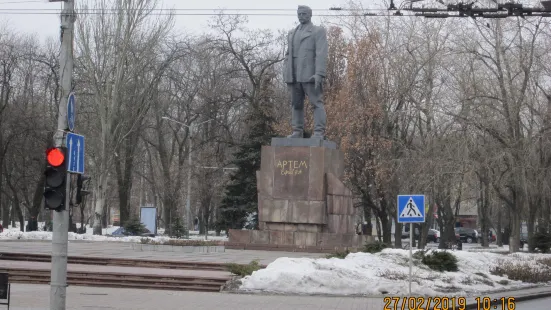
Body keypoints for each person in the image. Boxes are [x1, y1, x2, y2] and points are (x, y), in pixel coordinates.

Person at [283, 5, 328, 139]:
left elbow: (321, 53)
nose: (301, 16)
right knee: (296, 105)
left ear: (310, 15)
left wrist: (319, 73)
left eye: (304, 14)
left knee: (316, 103)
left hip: (310, 75)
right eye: (299, 14)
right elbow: (288, 54)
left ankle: (319, 132)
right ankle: (297, 131)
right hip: (294, 74)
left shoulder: (317, 31)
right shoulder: (292, 33)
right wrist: (286, 71)